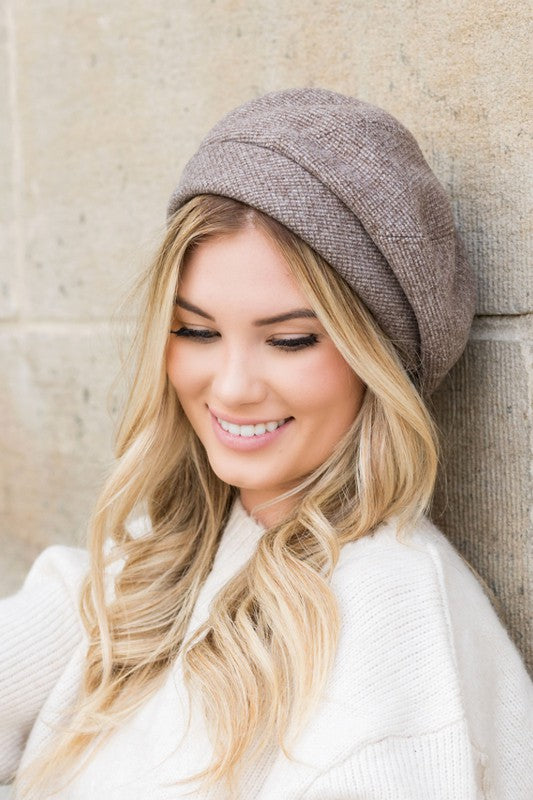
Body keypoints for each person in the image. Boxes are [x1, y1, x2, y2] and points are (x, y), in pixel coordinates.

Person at [1, 89, 532, 800]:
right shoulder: (149, 568)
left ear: (379, 359)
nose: (232, 386)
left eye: (288, 340)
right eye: (196, 331)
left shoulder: (391, 618)